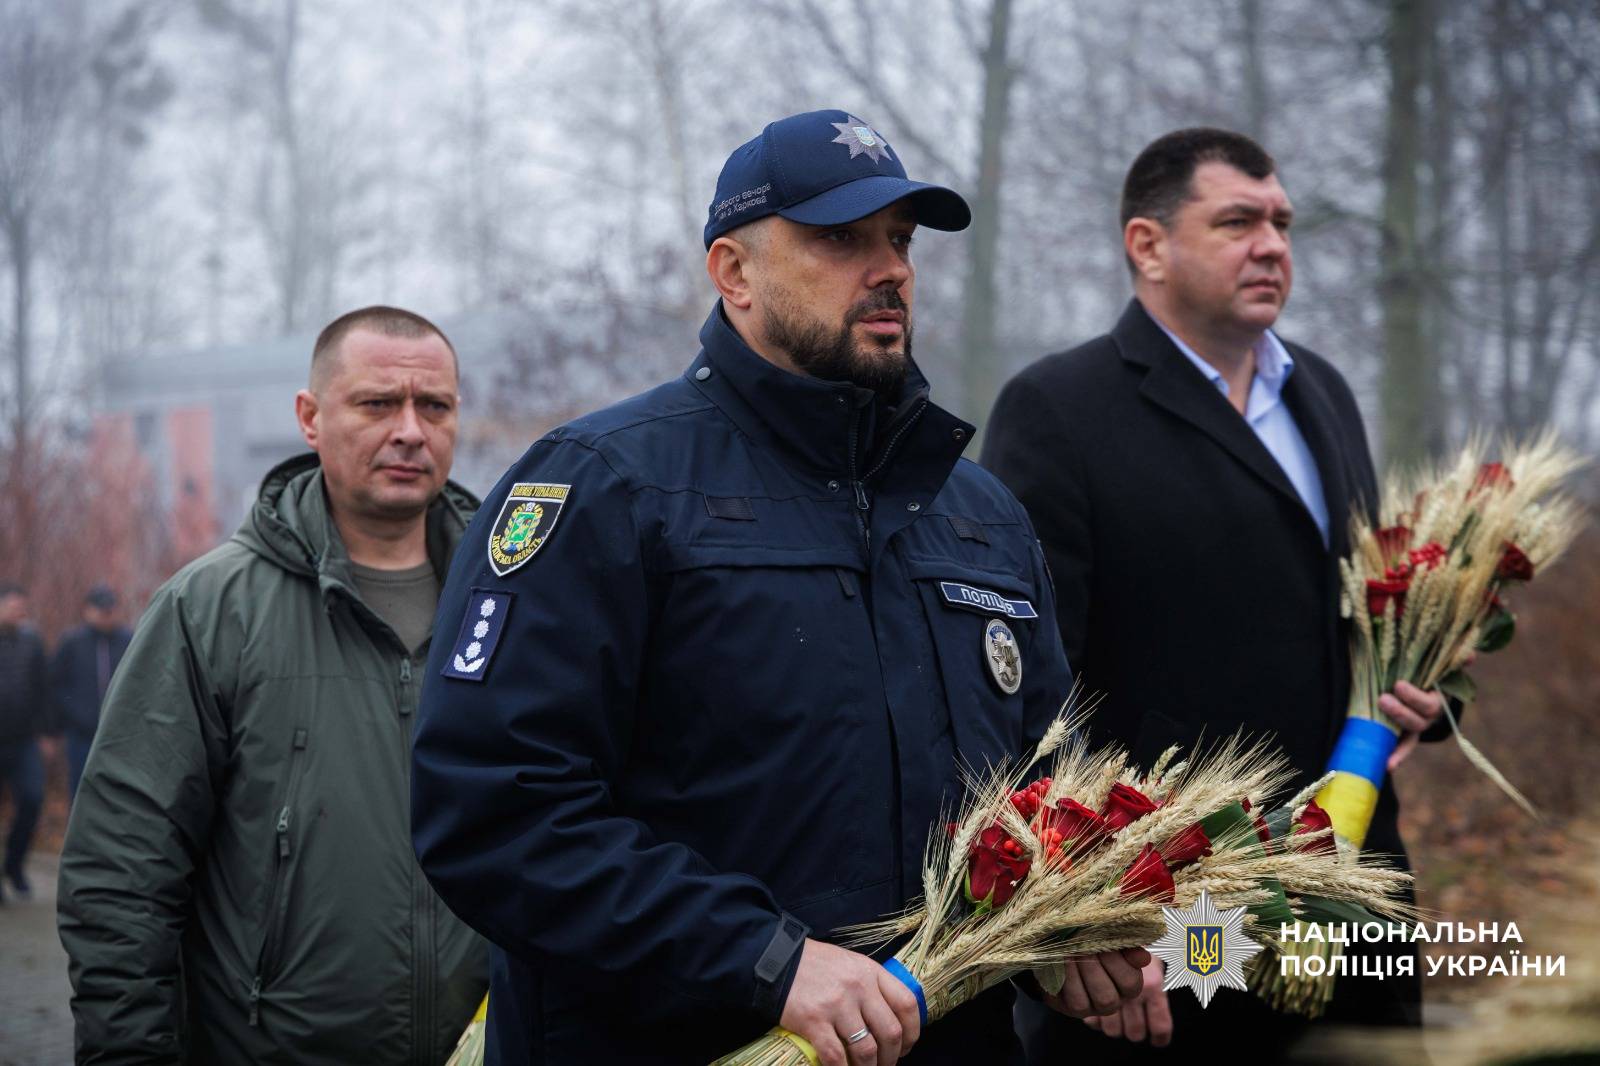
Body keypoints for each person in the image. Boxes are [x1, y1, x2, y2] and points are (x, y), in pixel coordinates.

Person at [411, 109, 1147, 1066]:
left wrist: (1073, 912)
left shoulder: (979, 513)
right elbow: (495, 810)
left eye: (900, 239)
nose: (890, 269)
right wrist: (764, 959)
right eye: (840, 239)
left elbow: (1050, 776)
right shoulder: (606, 485)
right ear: (733, 272)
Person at [982, 128, 1447, 1061]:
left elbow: (1362, 607)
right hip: (1179, 920)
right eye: (1237, 221)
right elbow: (1032, 695)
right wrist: (1085, 925)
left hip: (1355, 902)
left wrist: (1427, 693)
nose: (1273, 244)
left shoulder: (1321, 389)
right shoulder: (1058, 410)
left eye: (1280, 221)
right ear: (1147, 246)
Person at [57, 306, 489, 1064]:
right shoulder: (210, 609)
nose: (411, 431)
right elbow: (122, 871)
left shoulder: (515, 603)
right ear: (310, 417)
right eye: (378, 403)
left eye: (436, 406)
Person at [50, 584, 132, 802]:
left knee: (119, 793)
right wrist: (70, 717)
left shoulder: (128, 640)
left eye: (111, 609)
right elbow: (56, 684)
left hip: (120, 733)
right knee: (81, 791)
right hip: (81, 733)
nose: (107, 615)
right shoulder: (72, 642)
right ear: (87, 610)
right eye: (101, 610)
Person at [0, 581, 49, 901]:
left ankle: (14, 865)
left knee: (32, 800)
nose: (21, 613)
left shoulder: (32, 642)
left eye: (23, 608)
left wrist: (46, 731)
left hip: (23, 740)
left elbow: (43, 688)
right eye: (15, 607)